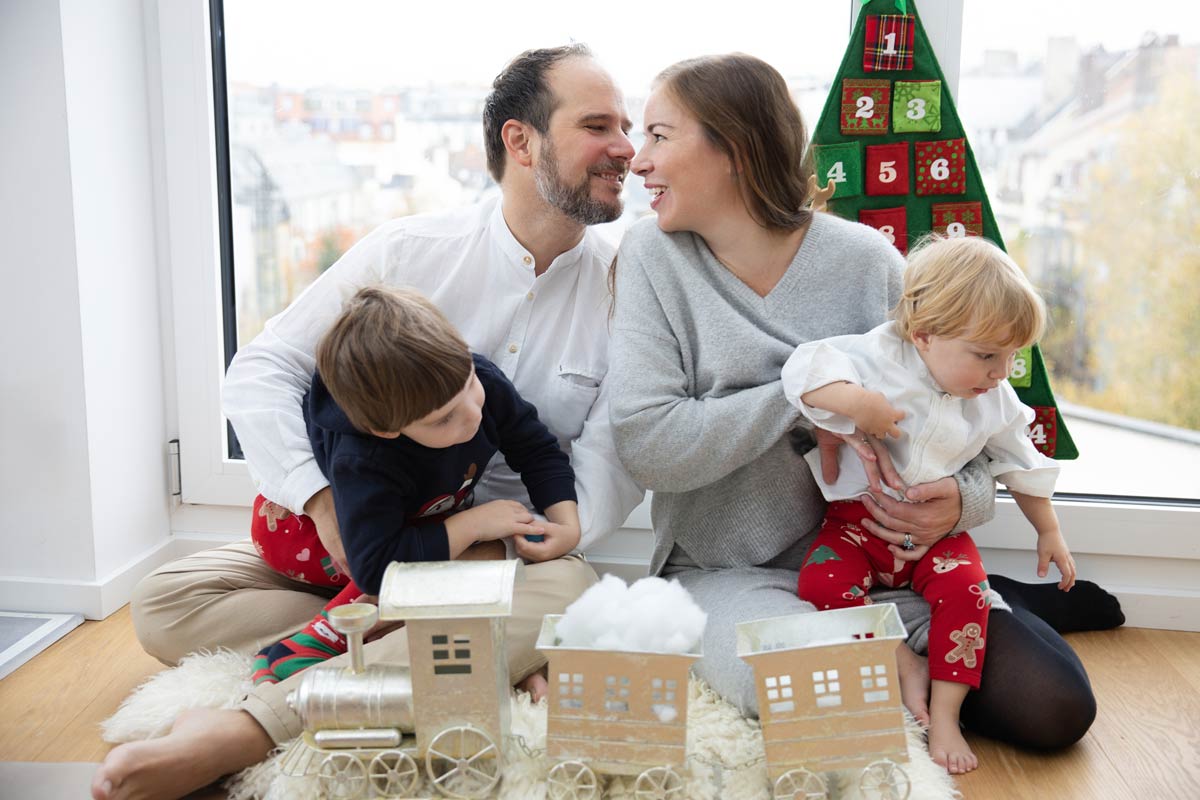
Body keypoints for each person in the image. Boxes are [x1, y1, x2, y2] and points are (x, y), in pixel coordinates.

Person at [93, 44, 644, 800]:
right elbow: (265, 368)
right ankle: (454, 646)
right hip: (372, 533)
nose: (627, 147)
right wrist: (322, 504)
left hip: (505, 557)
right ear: (521, 141)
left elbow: (610, 455)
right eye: (598, 126)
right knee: (163, 603)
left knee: (572, 589)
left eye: (628, 127)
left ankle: (253, 724)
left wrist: (531, 536)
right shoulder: (408, 252)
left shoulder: (623, 291)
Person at [608, 52, 1113, 767]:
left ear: (735, 149)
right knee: (820, 692)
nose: (638, 160)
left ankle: (1001, 601)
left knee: (1056, 706)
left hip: (885, 565)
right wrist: (802, 400)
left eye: (659, 135)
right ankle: (913, 642)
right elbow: (648, 446)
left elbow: (963, 416)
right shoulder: (651, 260)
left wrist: (961, 502)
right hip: (727, 571)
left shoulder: (868, 263)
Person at [783, 235, 1078, 773]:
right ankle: (900, 660)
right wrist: (857, 402)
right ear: (923, 335)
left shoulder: (994, 398)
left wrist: (1049, 530)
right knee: (819, 584)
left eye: (1011, 356)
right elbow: (802, 370)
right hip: (856, 525)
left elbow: (1021, 462)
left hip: (939, 538)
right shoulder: (876, 358)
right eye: (987, 356)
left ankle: (945, 713)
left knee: (969, 594)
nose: (1000, 372)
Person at [250, 286, 581, 685]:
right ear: (386, 430)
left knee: (485, 557)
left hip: (405, 521)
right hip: (302, 537)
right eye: (443, 419)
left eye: (470, 386)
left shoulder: (473, 379)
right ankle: (318, 639)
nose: (473, 414)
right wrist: (471, 524)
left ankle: (451, 640)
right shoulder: (364, 458)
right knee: (475, 555)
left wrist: (567, 524)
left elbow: (536, 449)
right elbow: (375, 569)